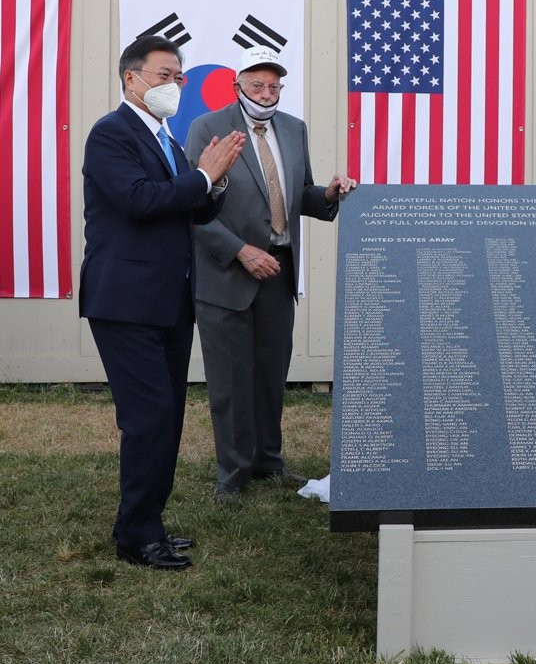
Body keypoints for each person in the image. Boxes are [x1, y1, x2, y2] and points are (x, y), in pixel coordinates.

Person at [81, 35, 246, 570]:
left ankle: (149, 521)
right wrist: (201, 175)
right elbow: (138, 200)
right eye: (163, 74)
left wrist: (212, 183)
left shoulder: (166, 138)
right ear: (130, 78)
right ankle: (135, 536)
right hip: (126, 301)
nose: (174, 84)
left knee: (168, 415)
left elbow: (191, 211)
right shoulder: (111, 134)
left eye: (178, 76)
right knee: (148, 417)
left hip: (170, 301)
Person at [185, 46, 357, 503]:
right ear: (236, 85)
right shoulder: (208, 128)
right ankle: (233, 473)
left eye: (274, 85)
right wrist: (240, 251)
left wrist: (332, 194)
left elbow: (300, 194)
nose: (266, 93)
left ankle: (268, 461)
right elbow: (190, 206)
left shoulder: (293, 129)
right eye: (257, 84)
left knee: (269, 374)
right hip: (227, 274)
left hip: (278, 274)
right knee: (229, 379)